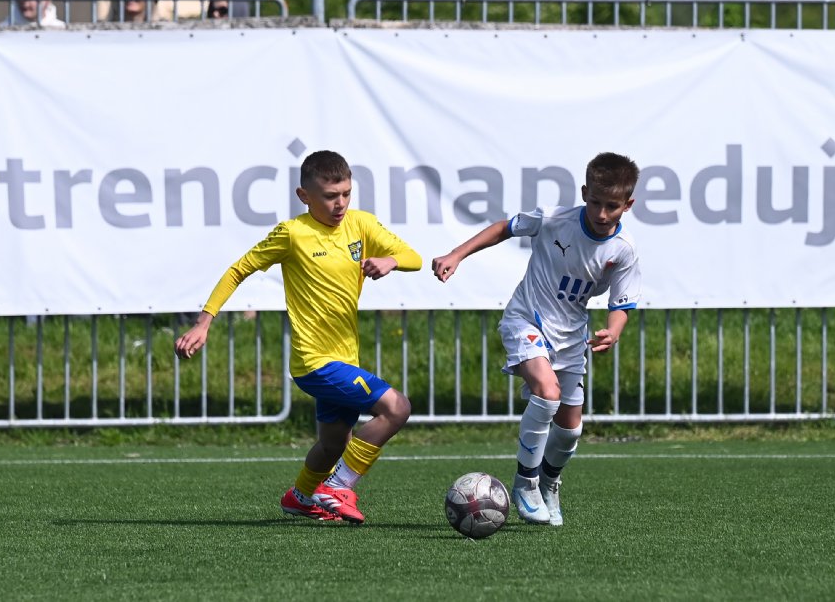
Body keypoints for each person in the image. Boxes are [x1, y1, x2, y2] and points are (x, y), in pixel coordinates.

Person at [175, 150, 422, 524]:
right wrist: (203, 322)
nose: (340, 203)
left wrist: (392, 260)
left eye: (346, 193)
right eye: (330, 196)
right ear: (304, 195)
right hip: (314, 362)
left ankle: (301, 497)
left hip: (345, 358)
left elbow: (413, 256)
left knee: (333, 443)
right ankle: (337, 487)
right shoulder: (292, 233)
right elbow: (239, 270)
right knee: (397, 407)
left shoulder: (361, 224)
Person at [430, 152, 641, 527]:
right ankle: (525, 483)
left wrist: (614, 330)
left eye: (612, 206)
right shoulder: (554, 219)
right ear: (584, 193)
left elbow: (621, 303)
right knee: (547, 391)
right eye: (595, 202)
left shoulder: (623, 250)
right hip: (525, 319)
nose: (601, 212)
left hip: (571, 337)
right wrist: (457, 254)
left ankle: (548, 482)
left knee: (571, 430)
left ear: (628, 204)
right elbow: (503, 228)